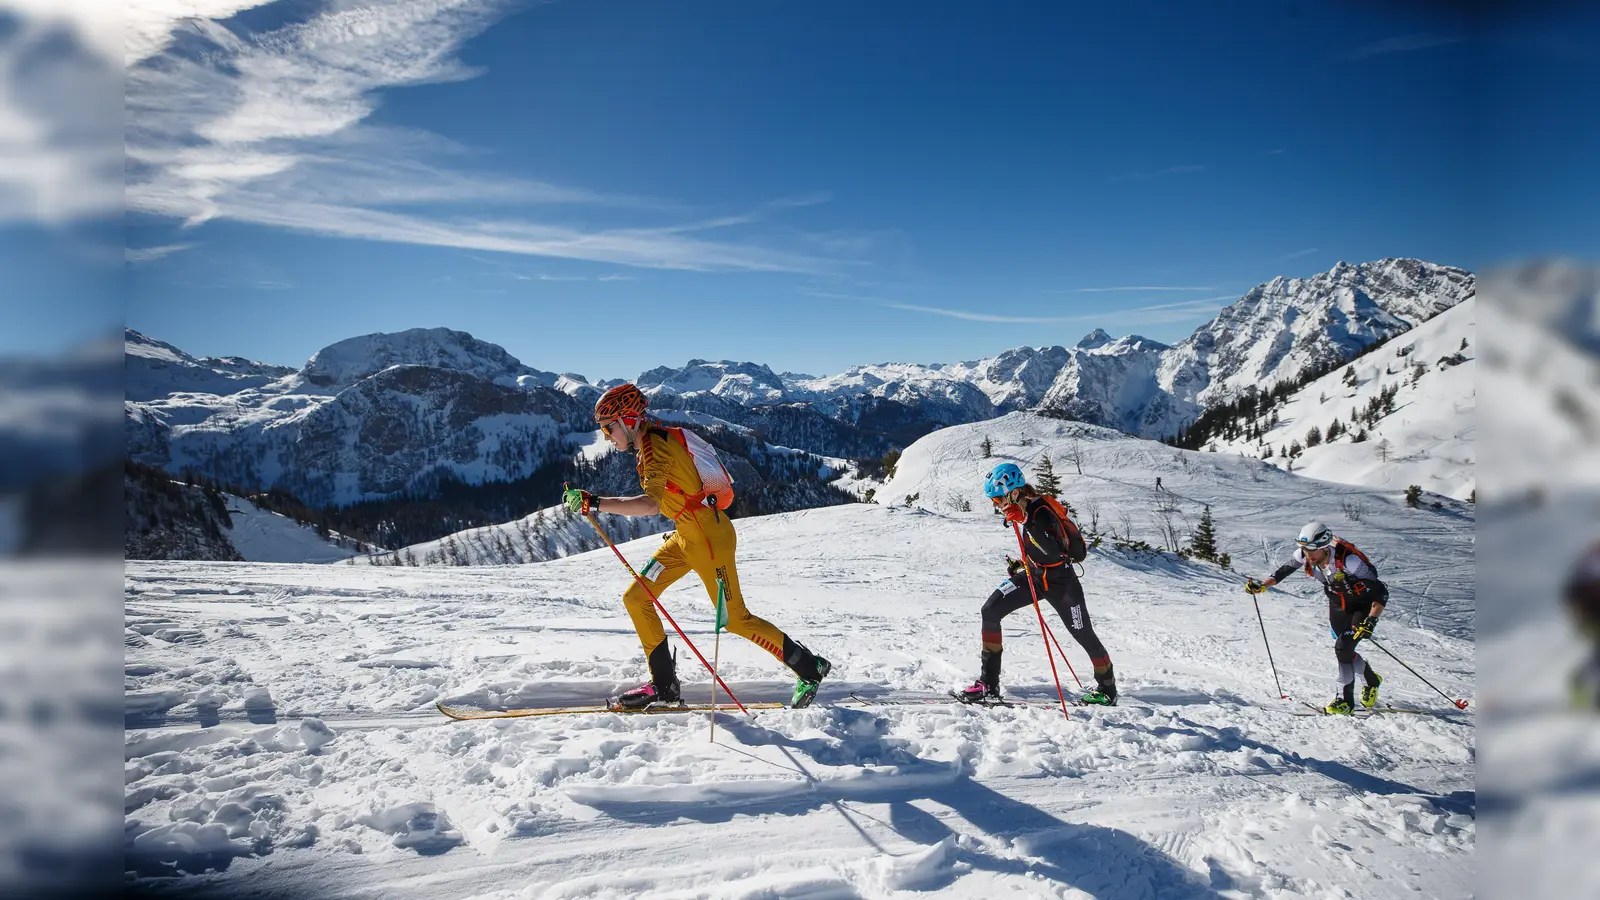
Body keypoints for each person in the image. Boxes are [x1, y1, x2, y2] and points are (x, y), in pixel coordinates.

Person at [563, 383, 832, 709]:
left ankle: (809, 667)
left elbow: (650, 505)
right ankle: (664, 687)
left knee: (735, 619)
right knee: (637, 598)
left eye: (609, 427)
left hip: (708, 540)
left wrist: (595, 503)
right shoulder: (651, 441)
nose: (606, 436)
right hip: (687, 536)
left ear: (629, 419)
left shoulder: (653, 447)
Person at [956, 462, 1118, 705]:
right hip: (1033, 577)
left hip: (1062, 584)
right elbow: (1037, 551)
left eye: (998, 498)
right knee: (990, 610)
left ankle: (1107, 690)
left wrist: (1025, 521)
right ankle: (988, 684)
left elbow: (1052, 551)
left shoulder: (1041, 512)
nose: (995, 504)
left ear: (1013, 492)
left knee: (1083, 633)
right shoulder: (1023, 513)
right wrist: (1022, 566)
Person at [1246, 521, 1387, 715]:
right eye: (1304, 548)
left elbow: (1380, 593)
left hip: (1361, 607)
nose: (1308, 554)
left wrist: (1371, 620)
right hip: (1338, 606)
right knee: (1344, 651)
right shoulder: (1304, 556)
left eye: (1313, 549)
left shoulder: (1349, 561)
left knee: (1343, 647)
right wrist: (1263, 585)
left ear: (1325, 546)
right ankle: (1371, 680)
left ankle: (1344, 701)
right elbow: (1283, 571)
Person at [1564, 543, 1600, 711]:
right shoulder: (1588, 568)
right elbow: (1575, 597)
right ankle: (1580, 687)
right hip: (1592, 619)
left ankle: (1580, 686)